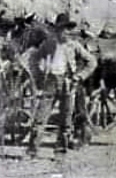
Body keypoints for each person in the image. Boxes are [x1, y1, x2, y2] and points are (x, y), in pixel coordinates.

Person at [38, 12, 98, 152]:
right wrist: (42, 68)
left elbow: (92, 61)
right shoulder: (49, 44)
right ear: (56, 30)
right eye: (60, 29)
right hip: (51, 82)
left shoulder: (74, 45)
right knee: (40, 117)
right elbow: (37, 57)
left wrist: (80, 76)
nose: (63, 32)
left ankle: (61, 149)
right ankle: (32, 150)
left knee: (66, 119)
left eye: (65, 29)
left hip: (67, 82)